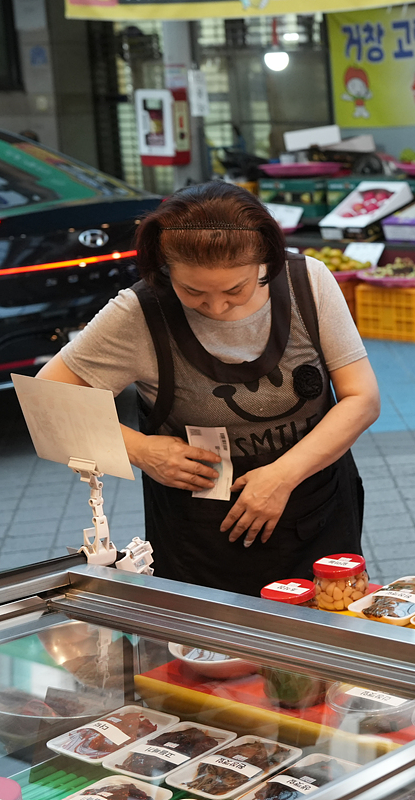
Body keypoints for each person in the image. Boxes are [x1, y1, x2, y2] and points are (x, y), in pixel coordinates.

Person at [36, 181, 379, 595]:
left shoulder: (307, 283)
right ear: (164, 267)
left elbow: (362, 399)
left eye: (235, 290)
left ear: (264, 261)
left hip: (317, 510)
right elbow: (47, 401)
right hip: (200, 536)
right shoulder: (139, 312)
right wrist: (142, 451)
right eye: (192, 292)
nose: (216, 308)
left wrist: (282, 476)